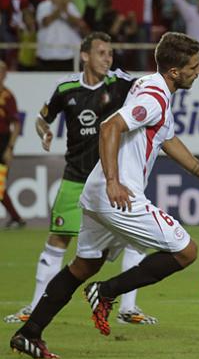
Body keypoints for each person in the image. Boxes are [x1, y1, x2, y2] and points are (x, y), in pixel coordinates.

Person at [9, 32, 199, 359]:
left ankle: (29, 333)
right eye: (195, 66)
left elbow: (168, 139)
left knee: (83, 265)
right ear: (175, 72)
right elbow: (110, 126)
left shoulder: (150, 85)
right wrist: (115, 181)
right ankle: (106, 293)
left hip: (96, 192)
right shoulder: (155, 98)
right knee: (186, 251)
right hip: (118, 195)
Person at [3, 32, 158, 326]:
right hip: (76, 178)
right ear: (85, 55)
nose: (107, 59)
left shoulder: (120, 83)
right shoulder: (66, 89)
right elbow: (41, 118)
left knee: (137, 237)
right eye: (101, 53)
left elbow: (147, 88)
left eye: (110, 53)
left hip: (112, 179)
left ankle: (129, 308)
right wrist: (44, 132)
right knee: (59, 239)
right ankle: (34, 306)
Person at [0, 59, 26, 229]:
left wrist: (10, 148)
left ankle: (17, 218)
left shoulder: (7, 96)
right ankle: (17, 218)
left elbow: (16, 123)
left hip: (2, 144)